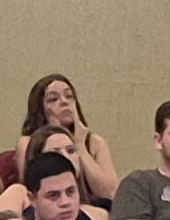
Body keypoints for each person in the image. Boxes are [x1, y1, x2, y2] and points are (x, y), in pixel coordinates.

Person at [12, 73, 118, 206]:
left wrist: (80, 147)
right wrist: (55, 135)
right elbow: (30, 188)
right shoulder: (27, 143)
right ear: (40, 109)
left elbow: (110, 193)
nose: (64, 101)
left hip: (93, 207)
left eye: (69, 96)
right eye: (53, 99)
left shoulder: (95, 142)